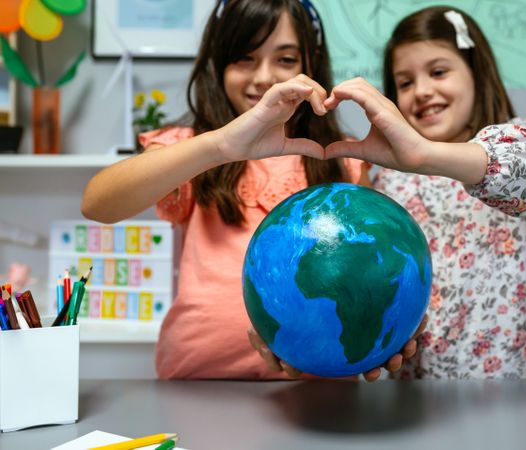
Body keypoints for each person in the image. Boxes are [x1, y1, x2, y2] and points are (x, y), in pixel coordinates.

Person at [81, 0, 420, 380]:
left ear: (312, 64)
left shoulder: (342, 158)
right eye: (245, 58)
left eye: (286, 60)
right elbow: (97, 204)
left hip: (315, 388)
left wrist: (379, 333)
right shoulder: (196, 149)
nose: (265, 78)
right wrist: (220, 146)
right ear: (218, 64)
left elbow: (369, 274)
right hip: (198, 384)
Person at [322, 6, 526, 379]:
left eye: (439, 71)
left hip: (515, 386)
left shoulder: (520, 140)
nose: (423, 91)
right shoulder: (385, 181)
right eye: (405, 82)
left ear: (476, 71)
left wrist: (427, 155)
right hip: (416, 392)